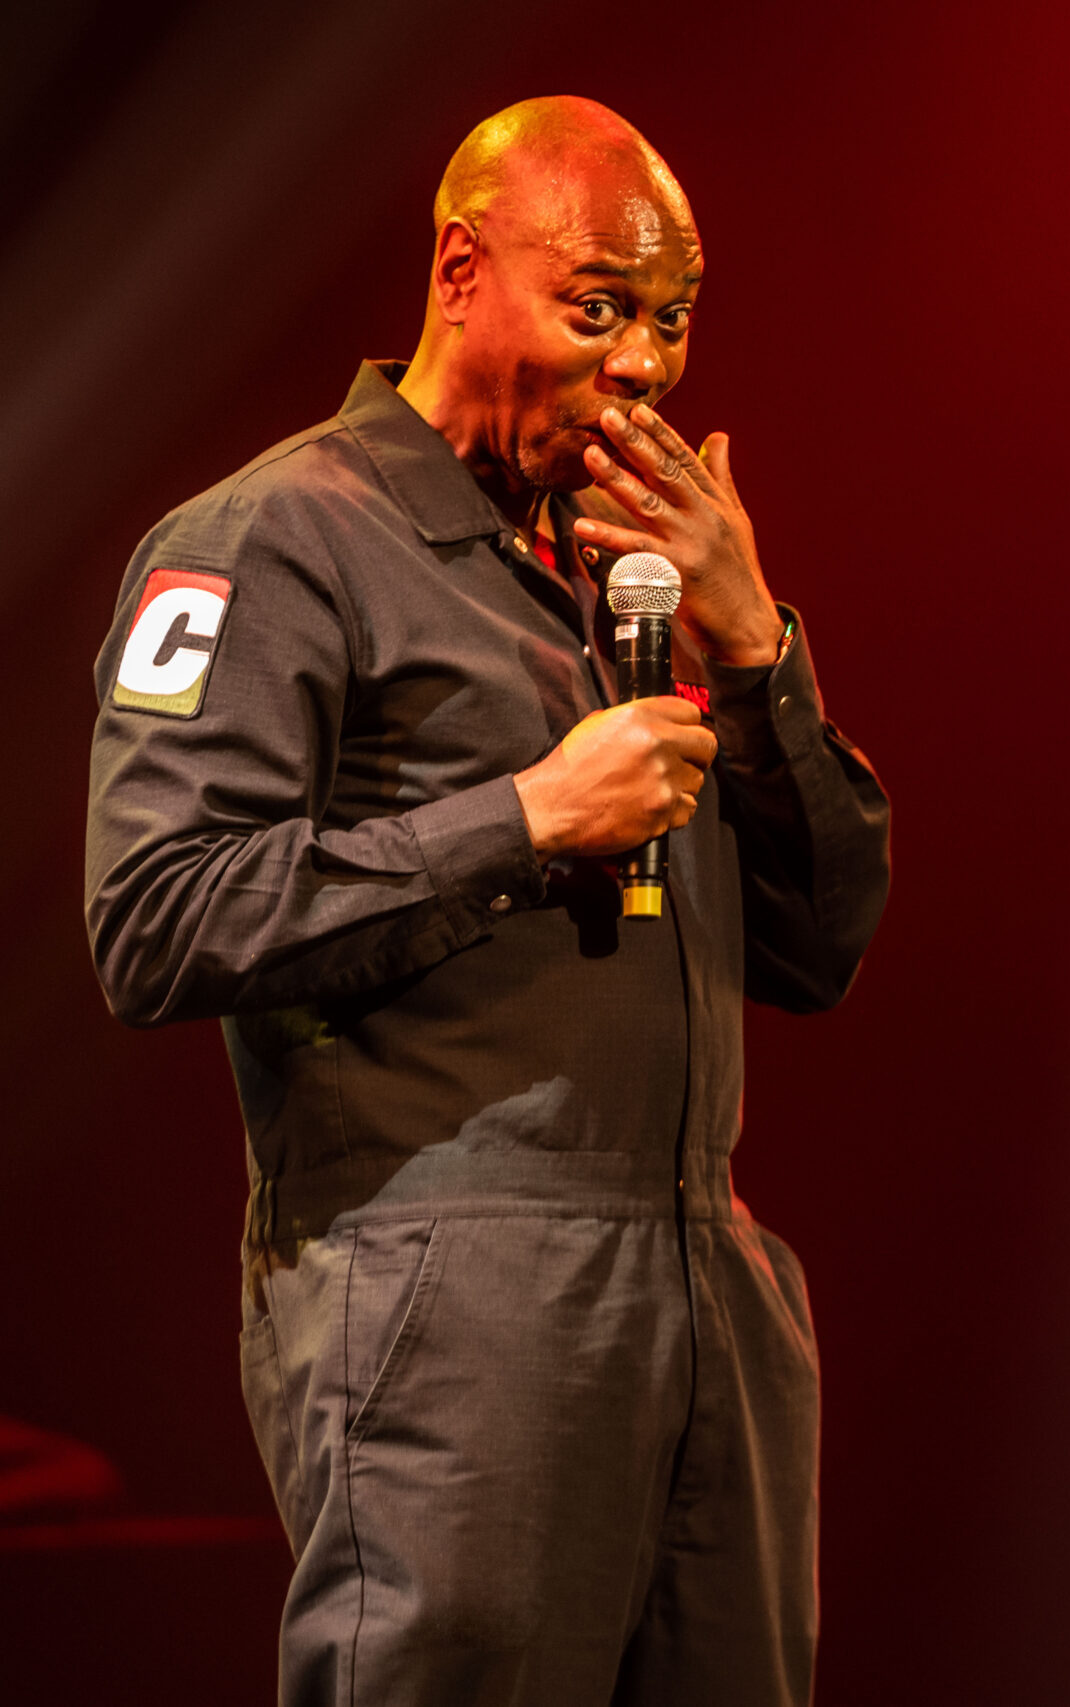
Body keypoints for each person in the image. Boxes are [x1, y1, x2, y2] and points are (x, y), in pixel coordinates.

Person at [82, 96, 889, 1705]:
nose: (646, 363)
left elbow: (823, 943)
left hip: (705, 1286)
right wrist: (525, 820)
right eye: (599, 308)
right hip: (449, 1288)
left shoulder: (626, 572)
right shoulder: (274, 538)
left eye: (672, 319)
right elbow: (157, 914)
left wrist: (756, 657)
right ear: (463, 271)